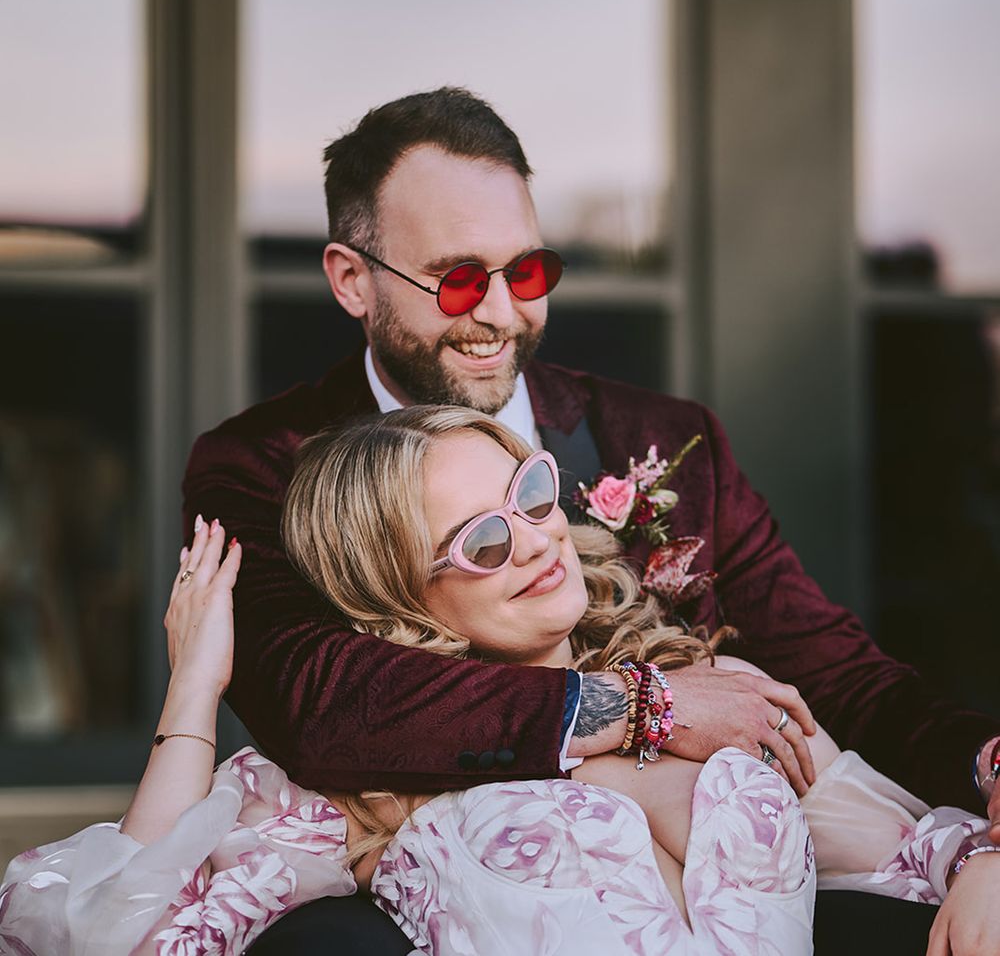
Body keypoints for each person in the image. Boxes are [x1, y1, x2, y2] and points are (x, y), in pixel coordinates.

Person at [181, 87, 1000, 952]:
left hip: (723, 877)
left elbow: (838, 676)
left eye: (526, 273)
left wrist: (989, 766)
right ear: (353, 280)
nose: (501, 315)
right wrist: (645, 705)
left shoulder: (663, 437)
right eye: (458, 280)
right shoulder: (265, 464)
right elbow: (323, 700)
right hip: (446, 886)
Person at [4, 406, 998, 955]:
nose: (533, 543)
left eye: (526, 497)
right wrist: (195, 685)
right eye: (481, 541)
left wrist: (991, 858)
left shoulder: (717, 688)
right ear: (408, 598)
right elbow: (105, 928)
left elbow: (914, 851)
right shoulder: (374, 791)